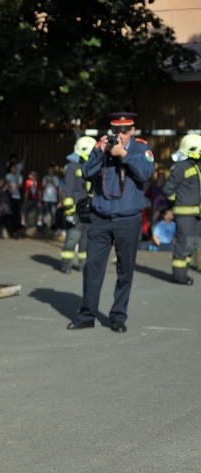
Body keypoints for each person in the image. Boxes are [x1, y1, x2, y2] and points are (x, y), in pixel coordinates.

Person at [67, 112, 154, 333]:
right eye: (116, 131)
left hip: (128, 219)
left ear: (133, 130)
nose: (120, 135)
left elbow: (145, 174)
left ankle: (118, 317)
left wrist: (123, 154)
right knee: (92, 268)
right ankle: (87, 315)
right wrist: (100, 152)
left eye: (124, 131)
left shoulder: (141, 149)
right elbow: (86, 173)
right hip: (101, 218)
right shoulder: (102, 148)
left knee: (125, 271)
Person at [164, 133, 201, 284]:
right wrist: (177, 203)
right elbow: (168, 190)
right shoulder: (180, 167)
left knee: (192, 244)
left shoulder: (197, 166)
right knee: (183, 244)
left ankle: (183, 273)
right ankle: (178, 276)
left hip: (196, 213)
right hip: (185, 214)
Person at [60, 136, 95, 273]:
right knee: (72, 238)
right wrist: (68, 212)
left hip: (87, 209)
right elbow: (67, 190)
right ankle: (66, 265)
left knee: (86, 239)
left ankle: (83, 265)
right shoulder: (72, 167)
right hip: (74, 211)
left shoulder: (88, 166)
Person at [4, 162, 23, 235]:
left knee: (17, 214)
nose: (15, 169)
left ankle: (18, 229)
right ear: (10, 168)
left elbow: (20, 185)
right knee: (11, 214)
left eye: (16, 168)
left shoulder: (19, 176)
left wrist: (13, 185)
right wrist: (12, 186)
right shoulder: (8, 175)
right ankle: (12, 231)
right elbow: (8, 184)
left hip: (17, 196)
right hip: (10, 196)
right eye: (13, 168)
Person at [41, 163, 60, 229]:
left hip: (53, 198)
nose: (50, 171)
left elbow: (57, 188)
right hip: (46, 198)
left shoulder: (56, 178)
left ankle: (54, 224)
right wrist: (47, 182)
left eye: (52, 170)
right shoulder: (45, 178)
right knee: (45, 211)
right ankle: (44, 223)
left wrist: (52, 181)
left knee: (53, 212)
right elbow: (43, 188)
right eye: (49, 170)